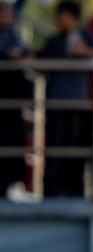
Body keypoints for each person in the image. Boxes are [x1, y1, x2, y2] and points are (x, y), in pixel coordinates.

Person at [39, 0, 93, 196]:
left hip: (78, 103)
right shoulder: (53, 41)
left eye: (63, 16)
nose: (59, 20)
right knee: (55, 145)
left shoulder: (85, 37)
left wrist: (84, 52)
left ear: (73, 18)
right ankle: (52, 188)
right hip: (56, 102)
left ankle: (74, 189)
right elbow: (40, 61)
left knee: (75, 146)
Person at [0, 1, 28, 197]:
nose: (8, 16)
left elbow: (25, 52)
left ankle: (8, 183)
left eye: (10, 13)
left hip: (12, 100)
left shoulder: (15, 35)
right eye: (4, 12)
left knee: (12, 140)